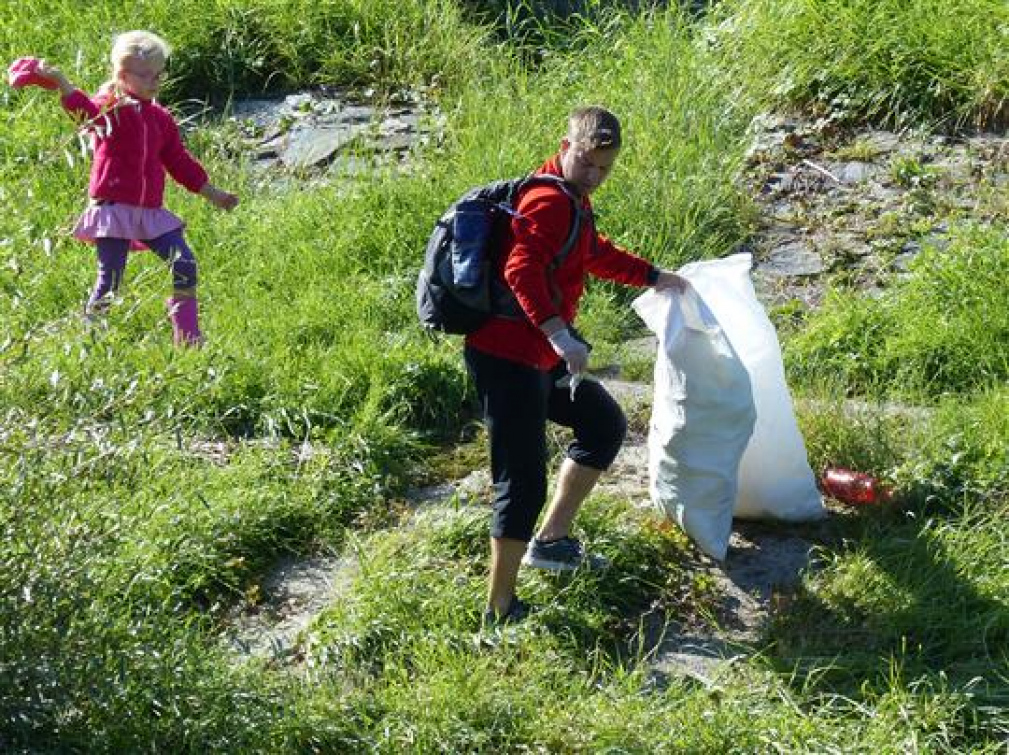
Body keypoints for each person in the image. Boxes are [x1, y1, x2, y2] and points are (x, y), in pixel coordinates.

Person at [465, 106, 685, 626]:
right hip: (508, 356)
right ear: (565, 146)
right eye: (586, 163)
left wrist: (655, 276)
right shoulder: (548, 200)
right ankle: (499, 610)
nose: (593, 176)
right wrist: (560, 334)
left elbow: (589, 253)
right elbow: (522, 268)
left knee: (602, 424)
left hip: (540, 354)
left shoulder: (572, 201)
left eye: (604, 169)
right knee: (521, 480)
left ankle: (553, 542)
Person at [29, 30, 238, 345]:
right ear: (123, 75)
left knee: (184, 263)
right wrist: (62, 83)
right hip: (113, 210)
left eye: (158, 74)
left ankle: (188, 334)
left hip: (150, 212)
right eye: (145, 75)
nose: (154, 81)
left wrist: (213, 193)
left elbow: (179, 162)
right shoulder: (111, 108)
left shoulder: (161, 119)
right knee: (110, 279)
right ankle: (91, 337)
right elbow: (86, 114)